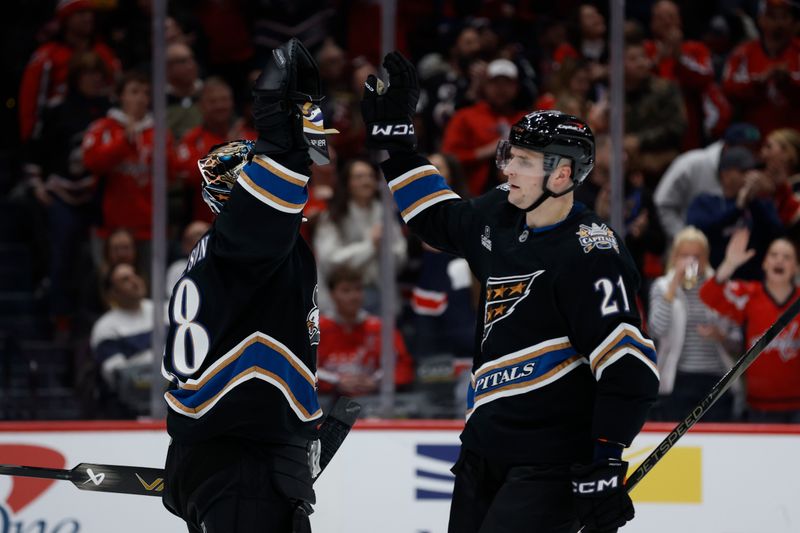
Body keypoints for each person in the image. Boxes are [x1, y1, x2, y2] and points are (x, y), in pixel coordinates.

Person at [360, 52, 659, 533]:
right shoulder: (501, 212)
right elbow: (438, 220)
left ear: (562, 175)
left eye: (523, 162)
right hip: (483, 451)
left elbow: (630, 369)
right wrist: (397, 147)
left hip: (550, 465)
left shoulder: (591, 253)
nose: (509, 171)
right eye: (510, 157)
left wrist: (605, 460)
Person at [161, 39, 328, 533]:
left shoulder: (227, 253)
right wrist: (280, 129)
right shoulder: (251, 245)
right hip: (243, 459)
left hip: (221, 449)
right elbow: (273, 189)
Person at [699, 228, 800, 422]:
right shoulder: (749, 296)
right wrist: (729, 264)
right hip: (758, 406)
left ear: (795, 266)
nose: (779, 260)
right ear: (764, 263)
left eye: (787, 257)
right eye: (774, 255)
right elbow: (708, 295)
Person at [648, 227, 740, 422]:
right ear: (674, 257)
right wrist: (674, 285)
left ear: (706, 257)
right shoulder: (662, 286)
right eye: (685, 255)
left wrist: (720, 335)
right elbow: (657, 329)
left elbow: (737, 339)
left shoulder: (720, 286)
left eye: (697, 256)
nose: (691, 261)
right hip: (678, 379)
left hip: (716, 377)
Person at [316, 265, 414, 401]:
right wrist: (337, 382)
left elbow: (402, 365)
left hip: (374, 401)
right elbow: (305, 369)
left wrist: (376, 381)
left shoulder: (380, 328)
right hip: (327, 401)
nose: (354, 296)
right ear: (332, 294)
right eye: (346, 291)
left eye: (358, 289)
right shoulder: (318, 328)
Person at [89, 262, 154, 417]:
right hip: (131, 413)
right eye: (125, 279)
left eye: (135, 275)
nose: (134, 281)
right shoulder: (106, 327)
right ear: (113, 293)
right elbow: (121, 379)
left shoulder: (164, 310)